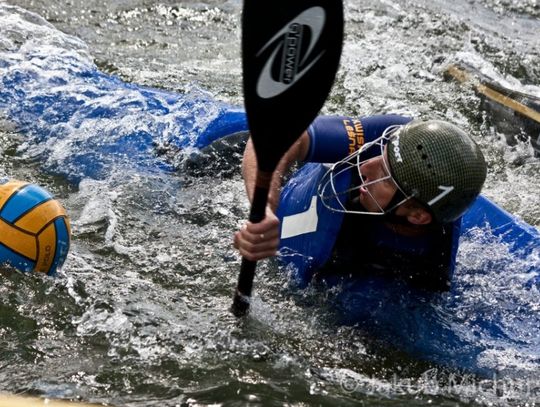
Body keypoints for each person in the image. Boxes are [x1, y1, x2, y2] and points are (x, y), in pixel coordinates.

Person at [233, 115, 487, 291]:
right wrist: (264, 206)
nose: (366, 165)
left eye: (385, 177)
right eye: (380, 155)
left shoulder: (436, 234)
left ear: (418, 216)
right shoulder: (401, 136)